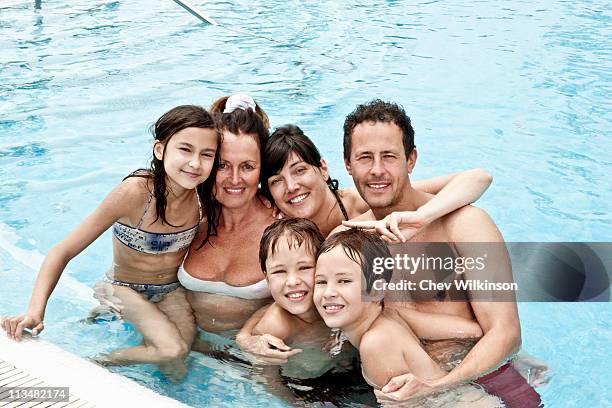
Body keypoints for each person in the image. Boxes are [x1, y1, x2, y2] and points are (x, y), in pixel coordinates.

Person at [338, 99, 541, 406]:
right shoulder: (347, 241)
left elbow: (507, 333)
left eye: (389, 156)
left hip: (482, 378)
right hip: (396, 388)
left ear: (411, 159)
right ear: (348, 163)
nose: (377, 170)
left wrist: (437, 386)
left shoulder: (466, 226)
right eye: (365, 157)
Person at [237, 123, 495, 360]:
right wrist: (246, 338)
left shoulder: (365, 205)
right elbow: (286, 292)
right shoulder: (289, 238)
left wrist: (421, 216)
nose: (291, 186)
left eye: (300, 170)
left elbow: (477, 178)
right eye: (276, 181)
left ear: (323, 169)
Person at [1, 105, 219, 377]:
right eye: (185, 150)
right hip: (122, 288)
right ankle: (91, 364)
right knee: (170, 349)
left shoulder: (203, 202)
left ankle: (117, 328)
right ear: (160, 150)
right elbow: (63, 250)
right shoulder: (136, 193)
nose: (195, 163)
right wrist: (35, 311)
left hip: (170, 291)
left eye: (206, 154)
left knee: (176, 369)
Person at [314, 228, 502, 407]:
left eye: (344, 281)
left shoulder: (375, 344)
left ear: (377, 290)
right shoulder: (393, 316)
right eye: (321, 281)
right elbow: (474, 332)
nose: (328, 292)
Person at [179, 94, 275, 337]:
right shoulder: (187, 214)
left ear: (263, 168)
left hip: (252, 357)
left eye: (247, 167)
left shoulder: (285, 227)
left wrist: (385, 215)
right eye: (222, 165)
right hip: (191, 346)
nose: (234, 180)